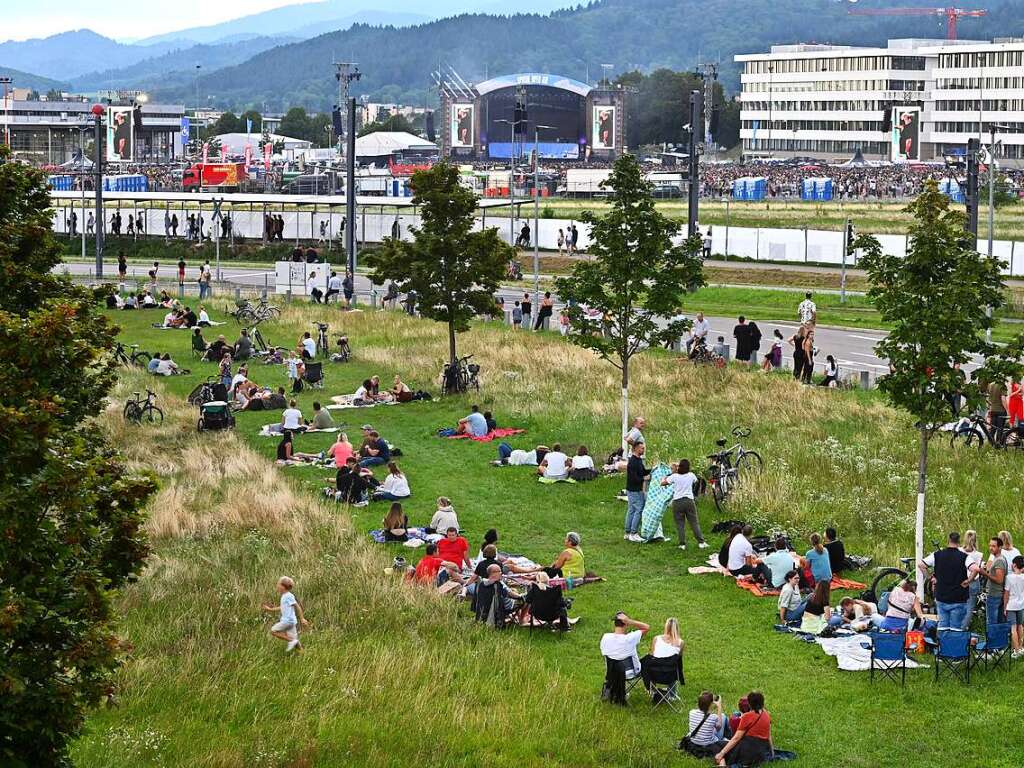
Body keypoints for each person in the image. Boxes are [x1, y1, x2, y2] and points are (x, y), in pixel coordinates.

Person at [917, 532, 969, 630]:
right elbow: (975, 569)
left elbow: (921, 565)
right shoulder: (964, 556)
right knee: (956, 629)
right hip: (958, 597)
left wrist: (930, 577)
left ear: (948, 540)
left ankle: (943, 644)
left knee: (942, 627)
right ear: (959, 541)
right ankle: (954, 643)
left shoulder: (937, 555)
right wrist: (968, 581)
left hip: (941, 596)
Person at [715, 691, 773, 767]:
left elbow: (736, 738)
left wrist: (722, 753)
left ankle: (722, 764)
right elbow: (769, 735)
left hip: (748, 751)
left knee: (717, 745)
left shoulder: (747, 716)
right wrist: (772, 752)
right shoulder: (767, 714)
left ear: (750, 704)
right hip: (761, 752)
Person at [660, 458, 705, 550]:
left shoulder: (674, 476)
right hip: (689, 501)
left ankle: (682, 544)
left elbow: (662, 483)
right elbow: (696, 482)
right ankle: (701, 542)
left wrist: (665, 476)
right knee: (694, 522)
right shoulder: (691, 475)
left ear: (679, 467)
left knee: (680, 524)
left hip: (677, 502)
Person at [260, 576, 309, 653]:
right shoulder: (285, 596)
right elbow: (282, 607)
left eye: (278, 584)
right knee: (294, 640)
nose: (277, 586)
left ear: (283, 587)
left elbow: (298, 607)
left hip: (288, 621)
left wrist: (302, 618)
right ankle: (303, 653)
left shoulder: (288, 596)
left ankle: (292, 640)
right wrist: (270, 609)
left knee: (273, 631)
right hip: (291, 621)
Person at [600, 612, 650, 678]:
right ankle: (650, 687)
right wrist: (630, 621)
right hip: (631, 673)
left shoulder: (605, 637)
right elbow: (646, 627)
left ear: (615, 624)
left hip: (612, 673)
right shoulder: (630, 638)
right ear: (626, 624)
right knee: (649, 659)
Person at [684, 691, 727, 756]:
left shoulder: (691, 712)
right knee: (723, 716)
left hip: (694, 741)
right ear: (710, 705)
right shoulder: (713, 717)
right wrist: (719, 706)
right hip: (708, 744)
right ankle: (728, 736)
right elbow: (719, 728)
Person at [978, 536, 1008, 627]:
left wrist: (985, 573)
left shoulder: (999, 561)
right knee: (998, 621)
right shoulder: (997, 558)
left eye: (994, 546)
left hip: (995, 594)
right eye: (990, 545)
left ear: (1000, 547)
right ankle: (999, 640)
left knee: (991, 622)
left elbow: (999, 580)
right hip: (997, 594)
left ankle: (992, 640)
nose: (991, 548)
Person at [624, 443, 650, 543]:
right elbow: (634, 478)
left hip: (633, 489)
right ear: (635, 449)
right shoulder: (633, 462)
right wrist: (644, 478)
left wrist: (653, 470)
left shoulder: (639, 460)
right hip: (634, 490)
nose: (643, 449)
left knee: (631, 510)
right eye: (642, 448)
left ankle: (627, 532)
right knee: (639, 509)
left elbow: (643, 471)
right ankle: (633, 533)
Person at [1005, 556, 1024, 658]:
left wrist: (1004, 607)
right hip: (1021, 605)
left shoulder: (1009, 577)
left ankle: (1016, 651)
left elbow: (1006, 594)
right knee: (1020, 626)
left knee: (1013, 628)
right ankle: (1021, 647)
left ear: (1014, 565)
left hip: (1011, 605)